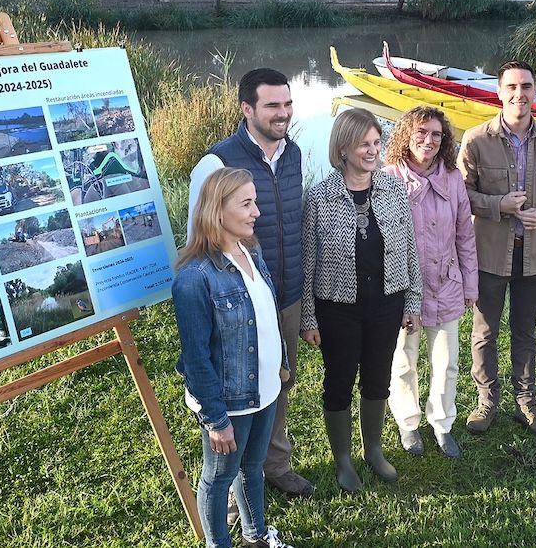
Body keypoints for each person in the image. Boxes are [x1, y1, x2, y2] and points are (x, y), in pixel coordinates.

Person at [188, 69, 312, 498]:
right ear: (247, 109)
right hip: (235, 298)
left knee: (278, 381)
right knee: (236, 390)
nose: (283, 114)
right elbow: (198, 238)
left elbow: (297, 224)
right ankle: (230, 486)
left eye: (288, 104)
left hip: (287, 291)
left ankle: (273, 464)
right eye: (272, 105)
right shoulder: (218, 162)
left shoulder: (294, 153)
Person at [172, 168, 295, 548]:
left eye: (255, 200)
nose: (257, 211)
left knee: (253, 467)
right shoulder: (195, 278)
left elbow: (265, 314)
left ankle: (256, 538)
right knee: (219, 476)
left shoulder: (250, 251)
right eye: (246, 203)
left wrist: (281, 364)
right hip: (230, 401)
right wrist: (215, 419)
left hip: (265, 390)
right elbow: (195, 359)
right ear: (217, 211)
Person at [300, 107, 422, 492]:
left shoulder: (392, 189)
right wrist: (308, 317)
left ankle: (373, 450)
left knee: (377, 378)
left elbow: (408, 249)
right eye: (363, 144)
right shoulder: (319, 197)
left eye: (376, 142)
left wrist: (412, 301)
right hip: (337, 308)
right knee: (338, 382)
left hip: (387, 302)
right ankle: (342, 460)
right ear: (343, 148)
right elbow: (307, 262)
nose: (372, 151)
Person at [458, 60, 536, 438]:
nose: (519, 94)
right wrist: (497, 206)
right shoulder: (475, 139)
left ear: (535, 91)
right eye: (511, 87)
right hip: (489, 253)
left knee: (526, 331)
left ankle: (526, 404)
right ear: (499, 91)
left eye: (526, 86)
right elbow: (461, 195)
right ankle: (486, 402)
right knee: (484, 332)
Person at [382, 106, 478, 459]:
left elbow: (465, 235)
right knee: (404, 361)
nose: (428, 140)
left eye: (436, 134)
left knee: (447, 362)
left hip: (447, 284)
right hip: (404, 290)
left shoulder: (453, 177)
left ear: (444, 139)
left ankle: (442, 424)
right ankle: (408, 424)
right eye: (421, 132)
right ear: (407, 135)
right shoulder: (389, 177)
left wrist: (470, 285)